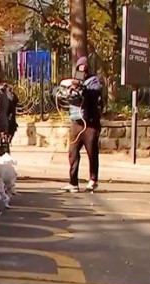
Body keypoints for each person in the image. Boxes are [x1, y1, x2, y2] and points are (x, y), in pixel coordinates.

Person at [59, 56, 103, 193]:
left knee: (92, 153)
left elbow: (95, 91)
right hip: (76, 123)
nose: (82, 71)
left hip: (90, 124)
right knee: (73, 153)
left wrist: (83, 88)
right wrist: (67, 88)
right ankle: (73, 182)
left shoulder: (93, 81)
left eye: (84, 68)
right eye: (79, 68)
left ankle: (93, 180)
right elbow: (58, 91)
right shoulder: (73, 82)